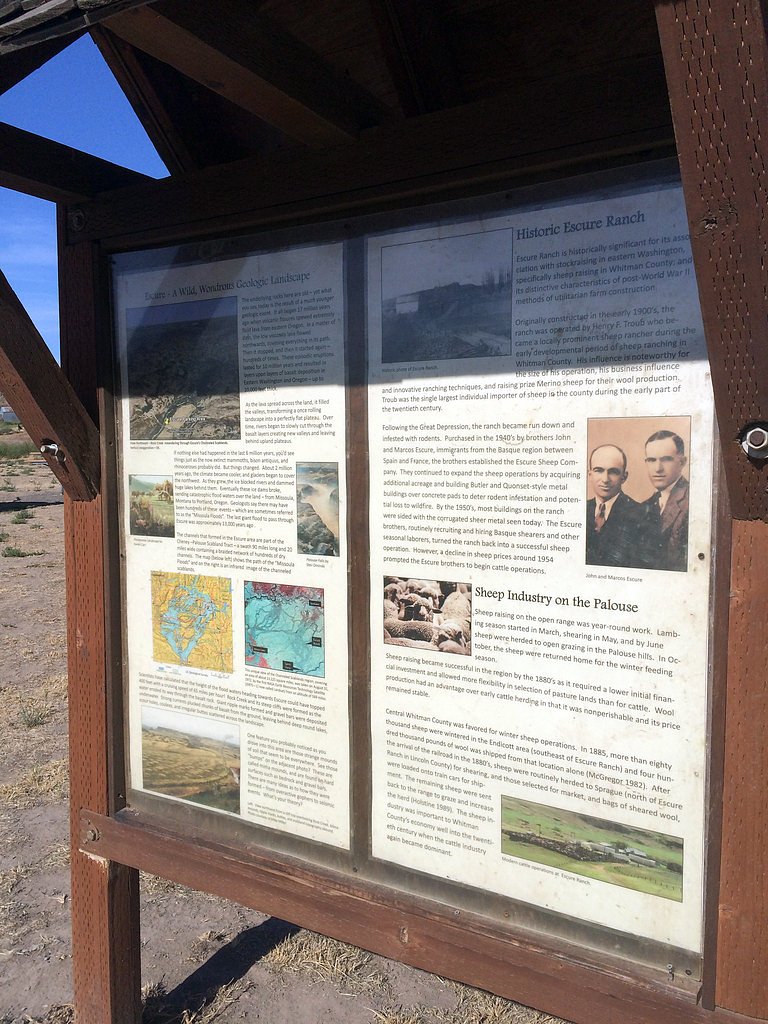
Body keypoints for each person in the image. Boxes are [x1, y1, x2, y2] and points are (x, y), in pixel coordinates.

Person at [585, 444, 648, 568]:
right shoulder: (580, 509)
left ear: (624, 477)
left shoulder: (641, 515)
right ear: (590, 474)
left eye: (613, 472)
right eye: (599, 470)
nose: (605, 479)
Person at [641, 430, 689, 572]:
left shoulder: (691, 502)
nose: (658, 468)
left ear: (682, 462)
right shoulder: (646, 505)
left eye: (666, 459)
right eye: (651, 460)